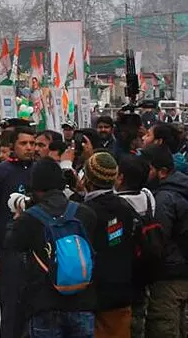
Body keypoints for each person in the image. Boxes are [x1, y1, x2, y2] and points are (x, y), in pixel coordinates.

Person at [5, 159, 98, 338]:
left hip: (44, 304)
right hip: (82, 302)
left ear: (35, 186)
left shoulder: (29, 219)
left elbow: (11, 243)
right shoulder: (85, 214)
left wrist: (17, 217)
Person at [0, 126, 35, 338]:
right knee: (11, 310)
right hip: (8, 253)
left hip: (36, 253)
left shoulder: (40, 171)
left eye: (32, 143)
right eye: (24, 143)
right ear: (12, 146)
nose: (29, 148)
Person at [81, 152, 138, 338]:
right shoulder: (126, 208)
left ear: (87, 179)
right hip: (122, 289)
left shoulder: (85, 213)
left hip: (92, 293)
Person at [140, 144, 188, 337]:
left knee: (164, 327)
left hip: (170, 275)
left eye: (147, 167)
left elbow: (158, 240)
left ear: (162, 172)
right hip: (182, 270)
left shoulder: (164, 198)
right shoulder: (182, 187)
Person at [115, 155, 157, 338]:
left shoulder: (117, 203)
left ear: (121, 177)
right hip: (145, 267)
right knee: (140, 319)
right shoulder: (148, 196)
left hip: (124, 269)